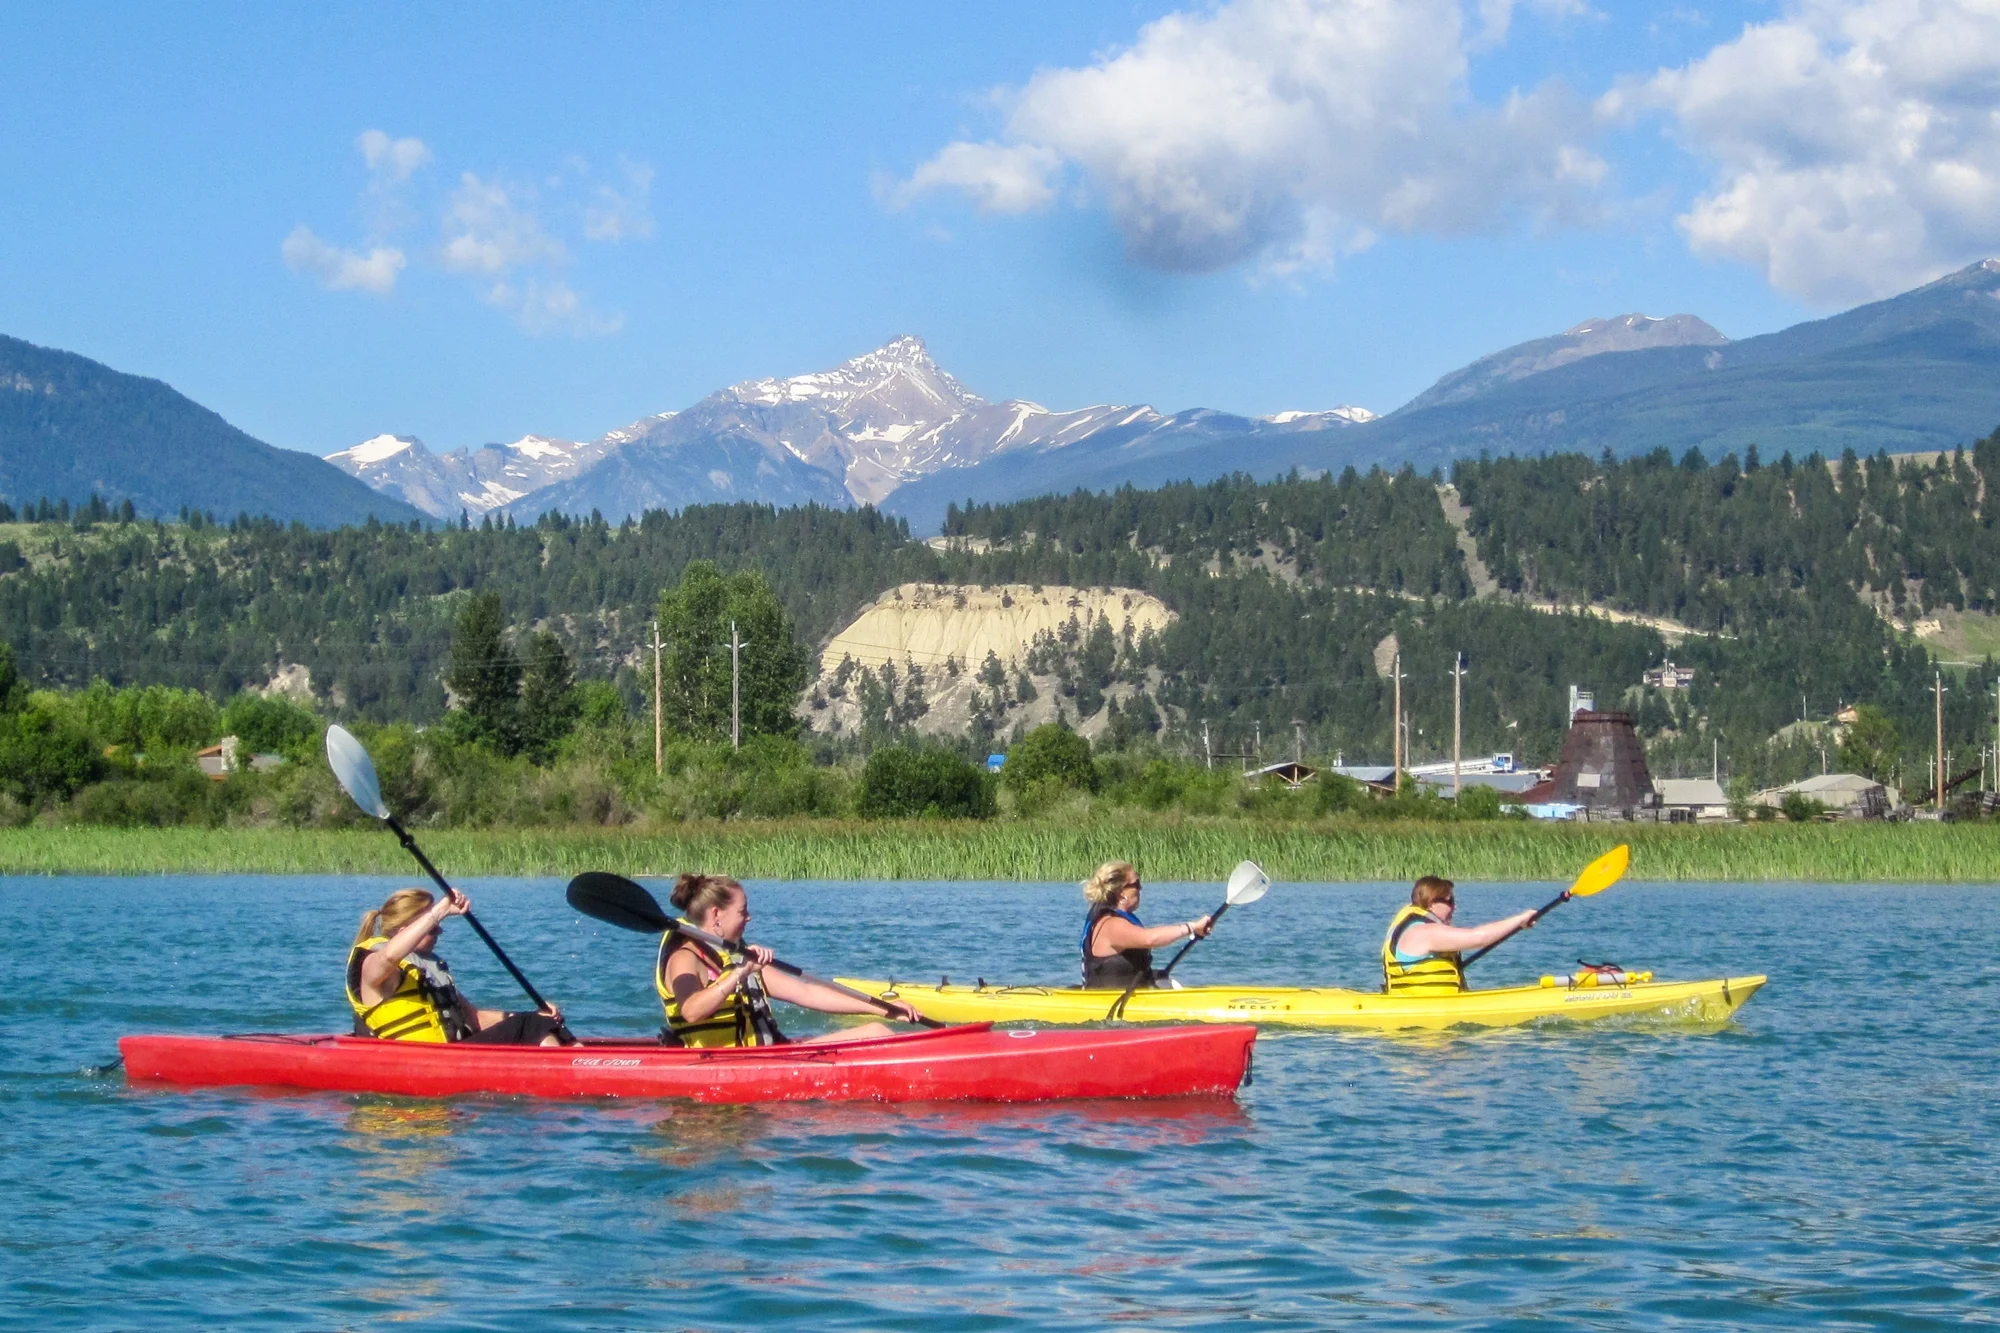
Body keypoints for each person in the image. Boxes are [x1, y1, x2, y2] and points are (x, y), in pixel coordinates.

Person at [657, 873, 924, 1047]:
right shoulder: (684, 958)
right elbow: (690, 1010)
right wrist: (739, 973)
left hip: (771, 1055)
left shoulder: (737, 958)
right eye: (742, 911)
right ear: (717, 914)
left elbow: (808, 992)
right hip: (726, 1064)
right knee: (879, 1037)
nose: (748, 917)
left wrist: (885, 1008)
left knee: (877, 1031)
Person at [346, 887, 569, 1046]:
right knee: (532, 1027)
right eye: (433, 928)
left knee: (541, 1022)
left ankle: (580, 1061)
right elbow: (388, 958)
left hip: (453, 1053)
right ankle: (565, 1080)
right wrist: (439, 911)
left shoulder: (426, 969)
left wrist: (533, 1016)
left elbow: (473, 1017)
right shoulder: (373, 964)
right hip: (421, 1060)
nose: (439, 932)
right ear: (406, 932)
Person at [1380, 875, 1536, 995]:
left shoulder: (1417, 925)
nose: (1454, 907)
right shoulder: (1423, 932)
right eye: (1450, 901)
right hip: (1424, 1026)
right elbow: (1479, 938)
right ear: (1432, 902)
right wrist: (1520, 919)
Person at [1078, 861, 1213, 990]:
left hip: (1129, 995)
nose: (1140, 888)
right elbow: (1150, 939)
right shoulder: (1110, 924)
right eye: (1136, 884)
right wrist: (1192, 927)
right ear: (1121, 893)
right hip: (1107, 1002)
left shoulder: (1117, 919)